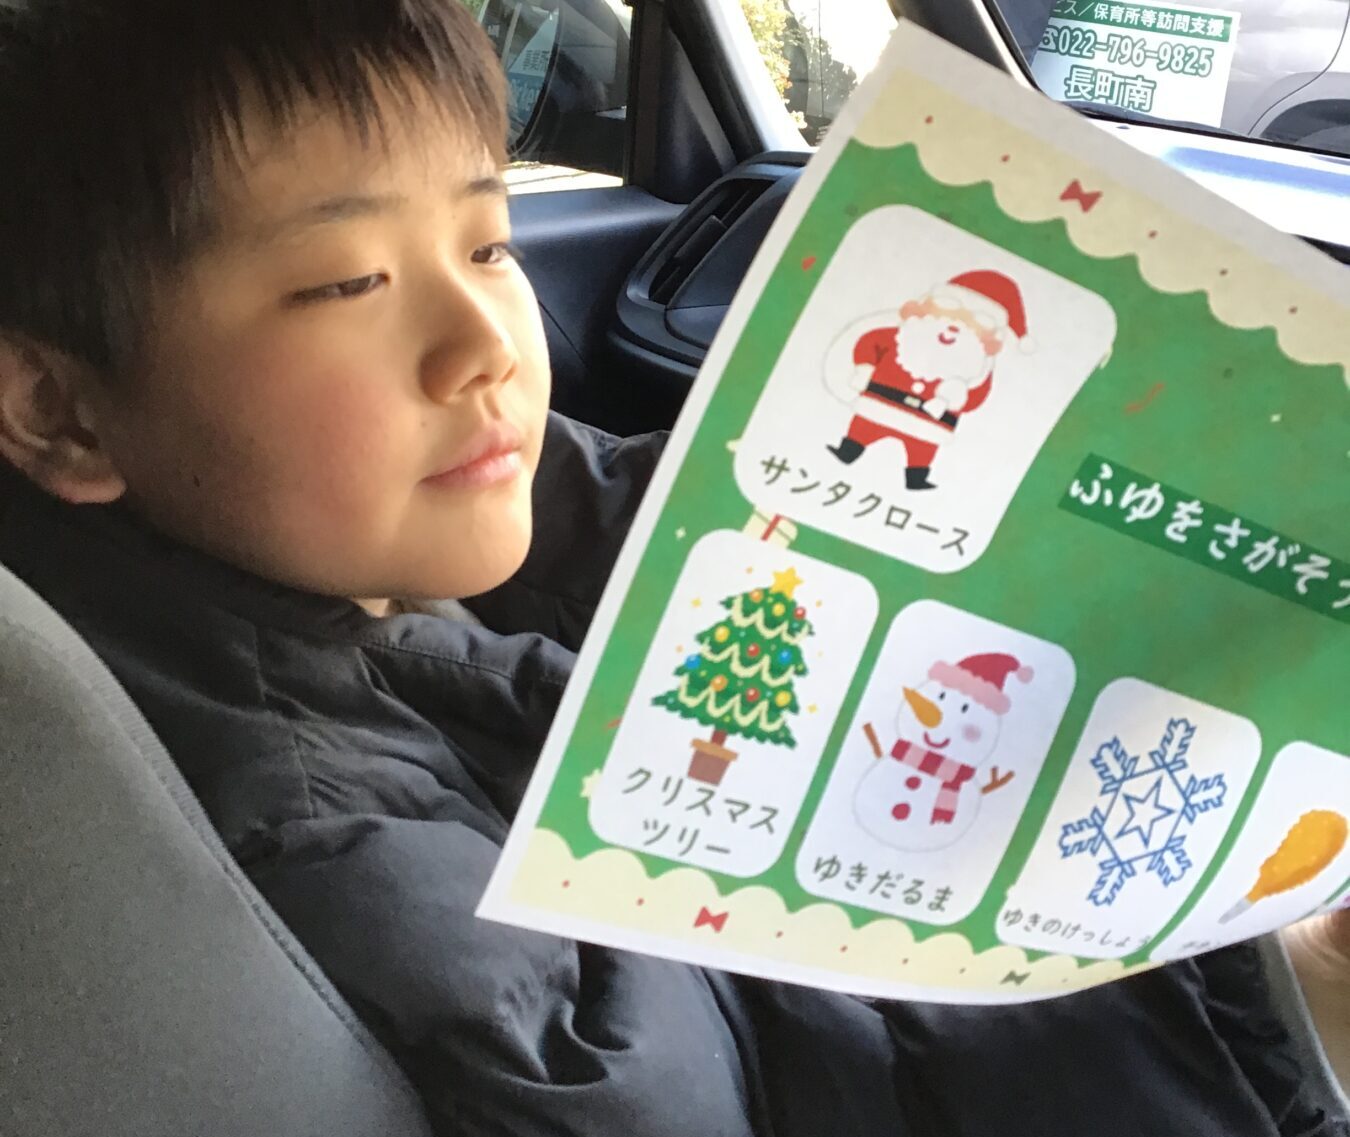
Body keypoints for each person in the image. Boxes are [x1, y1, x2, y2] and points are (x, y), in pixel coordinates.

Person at [0, 2, 1343, 1134]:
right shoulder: (328, 829)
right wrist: (1272, 989)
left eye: (486, 242)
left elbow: (652, 506)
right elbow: (684, 1089)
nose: (487, 342)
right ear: (63, 413)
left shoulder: (339, 537)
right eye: (350, 281)